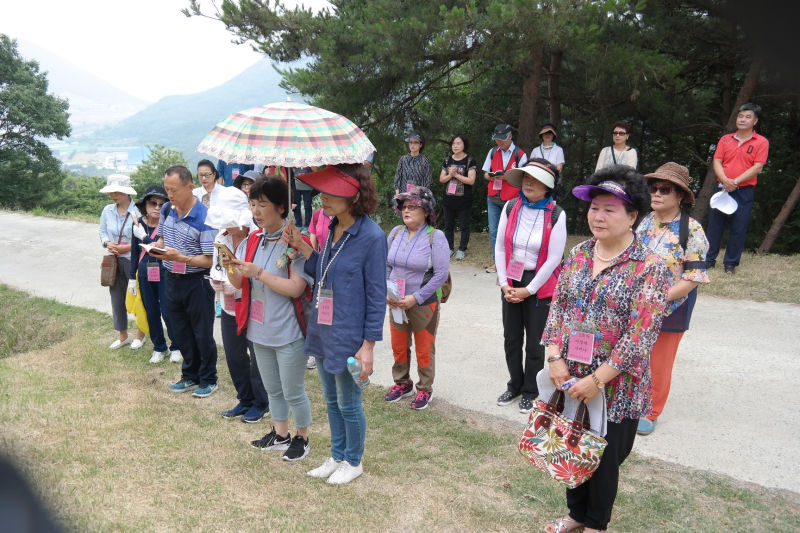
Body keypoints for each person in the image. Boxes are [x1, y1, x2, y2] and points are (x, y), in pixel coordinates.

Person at [541, 165, 669, 533]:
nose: (598, 215)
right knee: (572, 444)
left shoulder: (650, 267)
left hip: (618, 385)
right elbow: (558, 309)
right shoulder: (579, 253)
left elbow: (640, 336)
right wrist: (554, 357)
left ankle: (597, 524)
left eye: (610, 209)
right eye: (594, 206)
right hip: (570, 374)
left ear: (633, 217)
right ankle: (575, 515)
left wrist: (598, 380)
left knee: (605, 456)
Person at [283, 163, 386, 484]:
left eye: (330, 193)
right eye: (322, 192)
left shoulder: (372, 237)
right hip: (324, 328)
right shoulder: (331, 228)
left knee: (348, 401)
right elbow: (323, 270)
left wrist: (368, 346)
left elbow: (377, 296)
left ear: (352, 196)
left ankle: (353, 461)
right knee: (330, 399)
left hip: (351, 335)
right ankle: (338, 455)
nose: (321, 199)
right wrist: (301, 245)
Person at [224, 176, 313, 460]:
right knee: (273, 388)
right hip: (258, 329)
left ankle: (302, 438)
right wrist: (231, 267)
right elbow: (239, 284)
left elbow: (297, 288)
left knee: (293, 390)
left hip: (288, 331)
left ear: (281, 208)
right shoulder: (252, 239)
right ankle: (280, 433)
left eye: (263, 205)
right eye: (252, 204)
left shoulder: (296, 242)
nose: (256, 211)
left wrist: (259, 273)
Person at [636, 162, 709, 435]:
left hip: (672, 307)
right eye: (653, 188)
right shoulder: (644, 222)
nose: (656, 193)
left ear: (680, 196)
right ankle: (630, 402)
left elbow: (692, 278)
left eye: (664, 189)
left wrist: (657, 298)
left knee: (658, 362)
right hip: (637, 303)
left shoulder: (692, 230)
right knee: (634, 355)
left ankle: (651, 411)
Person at [494, 159, 567, 413]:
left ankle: (530, 390)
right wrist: (504, 283)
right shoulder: (511, 206)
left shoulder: (557, 214)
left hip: (539, 285)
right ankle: (514, 385)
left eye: (535, 179)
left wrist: (530, 289)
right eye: (525, 177)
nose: (528, 182)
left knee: (535, 342)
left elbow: (553, 259)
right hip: (511, 281)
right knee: (511, 338)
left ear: (548, 186)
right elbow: (501, 246)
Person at [148, 165, 219, 398]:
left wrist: (182, 258)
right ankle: (189, 375)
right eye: (167, 189)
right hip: (171, 277)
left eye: (174, 190)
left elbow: (209, 259)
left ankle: (209, 379)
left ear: (190, 187)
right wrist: (156, 247)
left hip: (196, 281)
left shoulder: (205, 217)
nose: (169, 195)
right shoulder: (168, 209)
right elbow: (162, 237)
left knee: (201, 332)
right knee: (180, 330)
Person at [206, 187, 270, 424]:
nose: (227, 227)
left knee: (256, 356)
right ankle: (244, 398)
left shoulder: (258, 237)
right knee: (234, 356)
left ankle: (261, 402)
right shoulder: (221, 238)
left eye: (231, 221)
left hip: (252, 306)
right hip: (228, 304)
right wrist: (217, 279)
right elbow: (217, 267)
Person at [384, 186, 449, 410]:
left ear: (426, 211)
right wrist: (386, 290)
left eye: (412, 206)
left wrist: (417, 297)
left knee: (424, 347)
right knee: (398, 345)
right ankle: (402, 383)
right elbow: (385, 264)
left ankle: (424, 389)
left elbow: (440, 274)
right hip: (395, 300)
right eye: (404, 206)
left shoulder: (435, 237)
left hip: (423, 302)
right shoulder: (394, 233)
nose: (406, 210)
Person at [705, 103, 769, 274]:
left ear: (755, 121)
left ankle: (730, 264)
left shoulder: (761, 142)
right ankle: (709, 259)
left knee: (738, 227)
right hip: (722, 188)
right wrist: (726, 180)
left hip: (745, 191)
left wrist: (735, 181)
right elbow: (717, 161)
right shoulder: (725, 139)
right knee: (715, 226)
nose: (743, 119)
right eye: (740, 116)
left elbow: (758, 167)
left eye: (748, 117)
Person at [129, 185, 181, 363]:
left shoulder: (168, 224)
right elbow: (135, 254)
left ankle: (176, 346)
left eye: (162, 203)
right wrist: (131, 278)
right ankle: (159, 347)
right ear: (145, 205)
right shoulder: (137, 224)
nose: (158, 207)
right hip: (144, 274)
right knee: (151, 312)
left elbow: (160, 249)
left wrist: (144, 237)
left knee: (168, 311)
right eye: (153, 203)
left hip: (165, 272)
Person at [98, 174, 140, 350]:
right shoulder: (107, 210)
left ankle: (141, 334)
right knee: (116, 298)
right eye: (111, 192)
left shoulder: (137, 211)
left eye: (117, 192)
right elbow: (102, 231)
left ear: (126, 192)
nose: (113, 195)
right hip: (113, 259)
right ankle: (122, 335)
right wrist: (108, 243)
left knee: (138, 298)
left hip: (132, 260)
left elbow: (142, 237)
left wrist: (127, 247)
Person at [482, 123, 528, 273]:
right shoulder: (492, 151)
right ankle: (497, 263)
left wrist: (506, 177)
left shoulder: (520, 154)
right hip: (493, 197)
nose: (499, 143)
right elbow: (484, 173)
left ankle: (513, 263)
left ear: (510, 137)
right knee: (495, 231)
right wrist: (492, 177)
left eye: (502, 139)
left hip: (512, 199)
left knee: (513, 232)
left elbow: (524, 178)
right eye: (497, 139)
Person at [438, 134, 477, 260]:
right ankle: (449, 248)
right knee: (448, 225)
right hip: (448, 199)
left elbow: (471, 180)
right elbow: (442, 179)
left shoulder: (470, 160)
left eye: (458, 143)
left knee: (464, 225)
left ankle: (462, 249)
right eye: (453, 143)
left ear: (464, 145)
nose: (455, 146)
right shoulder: (447, 160)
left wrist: (456, 175)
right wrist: (450, 175)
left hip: (464, 200)